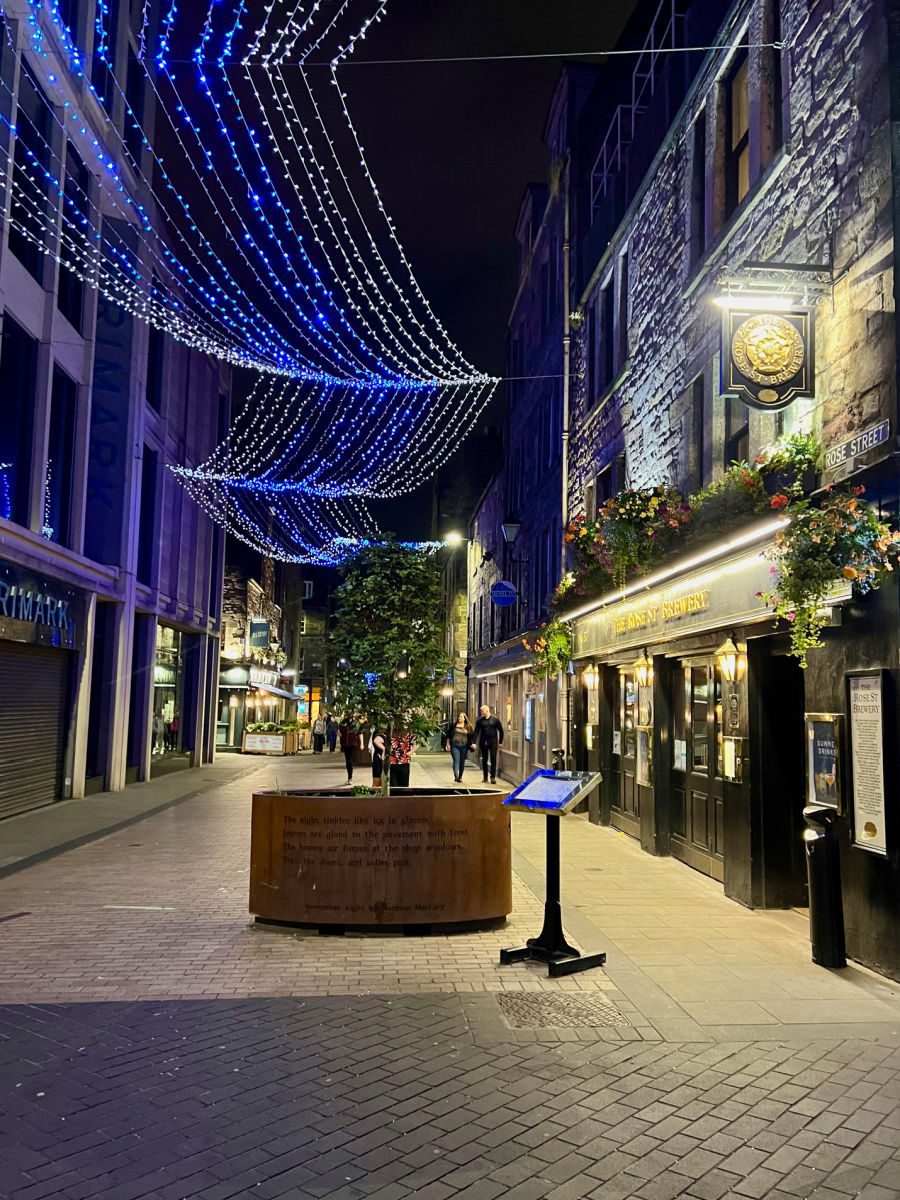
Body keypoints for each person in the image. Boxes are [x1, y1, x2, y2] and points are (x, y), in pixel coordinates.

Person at [473, 704, 504, 784]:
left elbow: (501, 731)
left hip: (493, 741)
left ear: (487, 711)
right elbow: (476, 732)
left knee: (493, 759)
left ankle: (493, 777)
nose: (481, 713)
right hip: (483, 741)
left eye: (482, 711)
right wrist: (474, 742)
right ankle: (485, 776)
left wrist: (500, 742)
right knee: (484, 759)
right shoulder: (480, 721)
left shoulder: (495, 719)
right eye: (481, 711)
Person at [445, 712, 474, 783]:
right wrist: (448, 744)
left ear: (464, 718)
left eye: (461, 717)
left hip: (464, 746)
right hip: (455, 746)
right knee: (456, 760)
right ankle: (456, 776)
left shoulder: (468, 726)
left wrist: (473, 744)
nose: (460, 718)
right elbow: (448, 736)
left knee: (462, 762)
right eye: (459, 716)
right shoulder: (454, 726)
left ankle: (460, 776)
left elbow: (472, 737)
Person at [338, 717, 360, 783]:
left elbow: (359, 732)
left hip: (352, 744)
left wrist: (362, 743)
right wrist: (339, 734)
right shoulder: (342, 723)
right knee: (348, 761)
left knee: (349, 760)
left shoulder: (355, 723)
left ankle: (350, 778)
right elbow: (339, 732)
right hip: (345, 744)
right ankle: (349, 777)